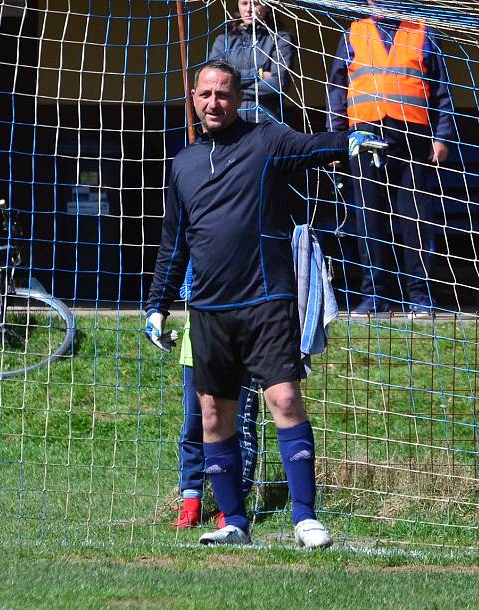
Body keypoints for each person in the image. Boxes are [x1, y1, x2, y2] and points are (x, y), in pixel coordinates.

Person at [144, 59, 385, 547]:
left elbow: (308, 146)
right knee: (214, 416)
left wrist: (350, 141)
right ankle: (233, 521)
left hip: (267, 301)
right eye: (206, 94)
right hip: (209, 310)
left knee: (285, 400)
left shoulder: (266, 141)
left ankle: (305, 518)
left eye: (225, 94)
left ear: (239, 99)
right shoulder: (183, 163)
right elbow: (174, 242)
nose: (215, 102)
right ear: (193, 99)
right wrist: (157, 304)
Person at [327, 2, 456, 315]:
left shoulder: (423, 32)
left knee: (416, 219)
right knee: (368, 217)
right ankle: (374, 295)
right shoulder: (353, 33)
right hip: (363, 138)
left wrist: (442, 138)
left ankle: (420, 296)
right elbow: (336, 90)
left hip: (412, 140)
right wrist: (334, 140)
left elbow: (442, 91)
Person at [172, 266, 259, 530]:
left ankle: (231, 507)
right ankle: (191, 503)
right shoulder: (200, 241)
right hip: (198, 349)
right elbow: (186, 289)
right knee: (193, 427)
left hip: (244, 349)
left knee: (240, 428)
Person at [209, 0, 295, 123]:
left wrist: (231, 88)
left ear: (268, 6)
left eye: (256, 3)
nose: (249, 9)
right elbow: (215, 80)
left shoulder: (281, 39)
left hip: (266, 119)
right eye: (244, 3)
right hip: (229, 120)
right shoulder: (224, 40)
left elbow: (277, 84)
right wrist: (258, 74)